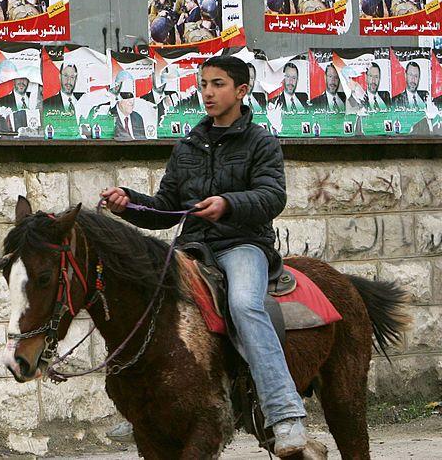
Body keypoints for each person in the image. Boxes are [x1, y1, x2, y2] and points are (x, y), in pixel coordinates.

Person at [101, 55, 311, 459]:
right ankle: (144, 410)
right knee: (144, 302)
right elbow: (166, 207)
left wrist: (228, 204)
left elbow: (273, 196)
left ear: (241, 91)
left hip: (243, 245)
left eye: (217, 84)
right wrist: (128, 203)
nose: (208, 92)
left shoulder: (261, 142)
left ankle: (285, 414)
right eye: (203, 85)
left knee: (245, 305)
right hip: (192, 249)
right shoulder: (189, 145)